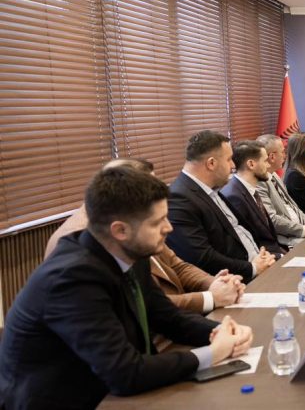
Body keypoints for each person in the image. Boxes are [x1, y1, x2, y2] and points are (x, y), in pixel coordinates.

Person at [0, 167, 253, 409]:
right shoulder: (72, 278)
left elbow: (168, 318)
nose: (169, 228)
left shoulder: (130, 252)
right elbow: (124, 373)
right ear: (120, 230)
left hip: (112, 394)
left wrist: (219, 331)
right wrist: (212, 353)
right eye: (157, 222)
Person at [45, 158, 244, 314]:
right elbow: (142, 307)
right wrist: (210, 298)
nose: (168, 227)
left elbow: (176, 265)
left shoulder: (137, 222)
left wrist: (214, 284)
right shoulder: (87, 242)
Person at [166, 131, 275, 283]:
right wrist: (252, 268)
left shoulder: (212, 189)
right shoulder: (179, 198)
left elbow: (239, 231)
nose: (233, 165)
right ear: (211, 163)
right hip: (235, 281)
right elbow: (201, 257)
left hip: (259, 265)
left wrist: (260, 256)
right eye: (229, 159)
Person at [221, 140, 286, 255]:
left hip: (276, 251)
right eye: (265, 161)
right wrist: (279, 256)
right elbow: (252, 242)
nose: (268, 165)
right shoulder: (234, 197)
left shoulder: (250, 189)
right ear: (251, 164)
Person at [255, 134, 305, 247]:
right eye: (283, 152)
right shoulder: (259, 183)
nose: (285, 155)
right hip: (289, 239)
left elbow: (293, 206)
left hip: (302, 229)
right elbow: (272, 219)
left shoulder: (274, 175)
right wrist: (303, 230)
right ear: (272, 157)